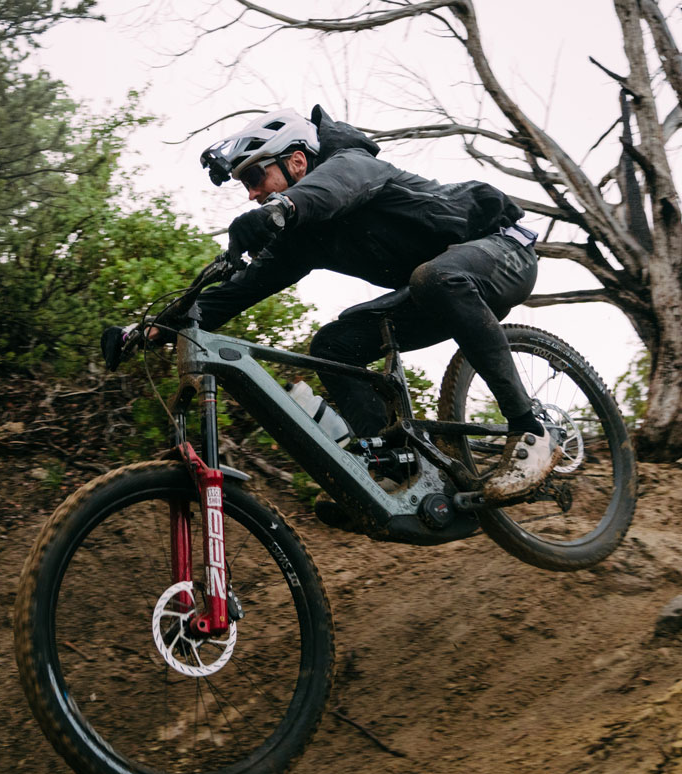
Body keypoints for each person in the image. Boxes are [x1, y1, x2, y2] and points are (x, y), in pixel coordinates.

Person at [163, 106, 555, 501]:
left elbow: (331, 188)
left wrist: (281, 208)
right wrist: (160, 326)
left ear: (296, 161)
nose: (251, 193)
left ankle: (530, 430)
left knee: (435, 277)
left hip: (503, 250)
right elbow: (240, 290)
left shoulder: (352, 163)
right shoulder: (302, 239)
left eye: (254, 177)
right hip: (433, 290)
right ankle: (397, 469)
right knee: (333, 347)